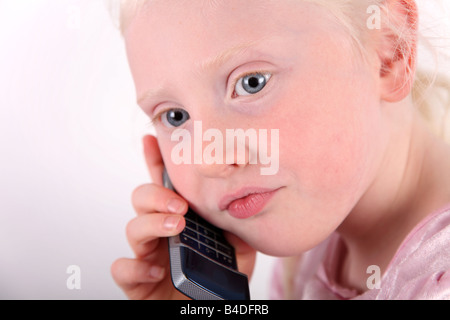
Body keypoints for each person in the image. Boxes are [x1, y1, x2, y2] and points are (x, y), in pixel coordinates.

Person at [110, 0, 450, 299]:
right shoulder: (314, 243)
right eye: (175, 116)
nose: (209, 159)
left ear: (388, 52)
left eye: (251, 82)